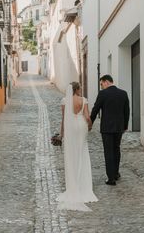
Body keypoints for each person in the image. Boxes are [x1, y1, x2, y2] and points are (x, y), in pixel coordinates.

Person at [57, 82, 98, 211]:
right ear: (77, 89)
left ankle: (73, 185)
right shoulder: (83, 100)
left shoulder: (65, 100)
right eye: (80, 88)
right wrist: (90, 125)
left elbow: (64, 119)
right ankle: (83, 186)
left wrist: (62, 134)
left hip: (70, 128)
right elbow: (87, 116)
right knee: (82, 152)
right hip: (81, 126)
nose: (81, 89)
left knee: (71, 154)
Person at [90, 75, 130, 186]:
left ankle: (111, 178)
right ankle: (116, 173)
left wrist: (90, 123)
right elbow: (127, 111)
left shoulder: (103, 94)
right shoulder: (123, 93)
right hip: (119, 128)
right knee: (116, 149)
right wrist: (125, 126)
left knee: (108, 151)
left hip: (107, 128)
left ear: (106, 82)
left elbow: (95, 109)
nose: (101, 86)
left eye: (101, 84)